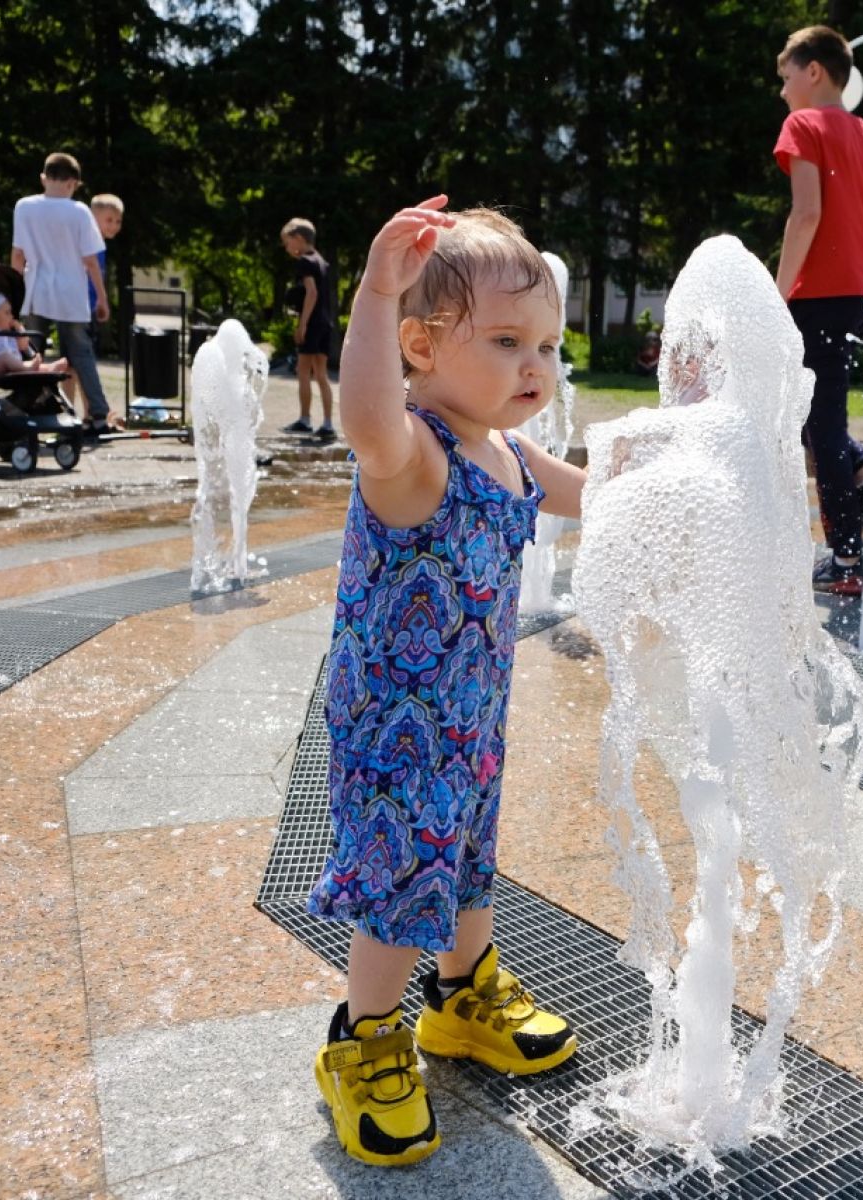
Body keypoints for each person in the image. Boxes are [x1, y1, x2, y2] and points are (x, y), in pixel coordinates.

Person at [306, 197, 586, 1167]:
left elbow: (591, 494)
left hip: (470, 715)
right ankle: (364, 1036)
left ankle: (462, 996)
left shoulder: (507, 450)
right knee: (399, 879)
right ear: (420, 347)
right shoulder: (413, 453)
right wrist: (376, 293)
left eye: (547, 346)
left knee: (466, 854)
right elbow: (365, 415)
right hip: (395, 721)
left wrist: (684, 472)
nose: (536, 369)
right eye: (508, 342)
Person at [773, 25, 863, 597]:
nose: (783, 91)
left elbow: (806, 214)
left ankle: (846, 560)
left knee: (818, 425)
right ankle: (861, 466)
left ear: (813, 70)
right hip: (860, 295)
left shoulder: (803, 125)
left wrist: (776, 295)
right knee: (811, 417)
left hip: (815, 296)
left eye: (786, 76)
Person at [12, 153, 114, 433]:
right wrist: (102, 299)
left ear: (44, 178)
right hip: (71, 292)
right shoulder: (79, 212)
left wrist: (13, 293)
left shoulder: (24, 207)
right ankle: (99, 415)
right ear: (73, 183)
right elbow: (91, 260)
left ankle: (27, 409)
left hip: (36, 289)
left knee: (32, 353)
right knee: (81, 353)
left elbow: (18, 255)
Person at [63, 193, 123, 412]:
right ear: (92, 217)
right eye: (109, 220)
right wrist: (101, 299)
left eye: (118, 221)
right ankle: (88, 412)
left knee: (73, 365)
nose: (114, 226)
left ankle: (76, 412)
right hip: (80, 309)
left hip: (80, 308)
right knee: (79, 363)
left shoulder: (97, 244)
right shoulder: (90, 243)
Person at [281, 218, 337, 437]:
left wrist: (302, 324)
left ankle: (305, 420)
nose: (287, 248)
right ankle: (328, 424)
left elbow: (311, 293)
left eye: (287, 243)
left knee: (302, 370)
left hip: (313, 323)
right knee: (321, 375)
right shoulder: (321, 261)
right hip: (325, 322)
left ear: (299, 239)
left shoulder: (305, 262)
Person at [0, 290, 67, 377]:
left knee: (24, 362)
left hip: (16, 364)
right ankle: (28, 368)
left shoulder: (10, 333)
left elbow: (23, 346)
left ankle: (48, 368)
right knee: (5, 358)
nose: (11, 316)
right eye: (7, 313)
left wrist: (19, 330)